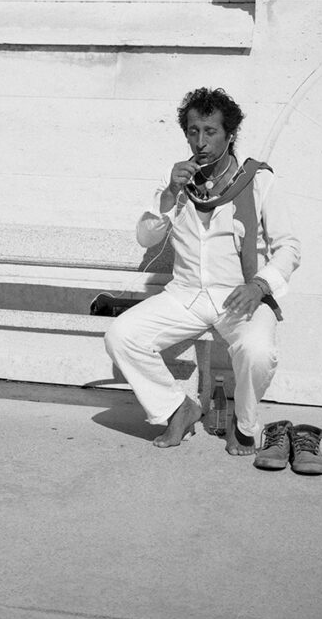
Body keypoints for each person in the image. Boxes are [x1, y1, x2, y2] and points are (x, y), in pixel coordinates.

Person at [104, 87, 300, 454]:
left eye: (210, 132)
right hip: (186, 295)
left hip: (241, 296)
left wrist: (260, 285)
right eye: (193, 132)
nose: (200, 142)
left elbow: (289, 248)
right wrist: (166, 196)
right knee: (121, 335)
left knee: (257, 353)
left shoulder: (259, 180)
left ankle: (243, 425)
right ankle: (179, 408)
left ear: (230, 135)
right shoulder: (177, 180)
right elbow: (146, 238)